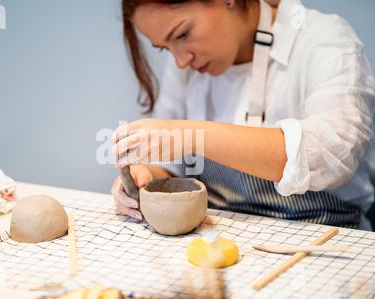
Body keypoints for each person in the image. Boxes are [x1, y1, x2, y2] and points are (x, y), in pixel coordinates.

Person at [110, 0, 375, 230]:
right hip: (219, 233)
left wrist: (193, 135)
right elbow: (172, 166)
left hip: (327, 237)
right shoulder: (186, 67)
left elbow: (332, 156)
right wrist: (147, 175)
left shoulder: (325, 40)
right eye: (164, 48)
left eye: (182, 34)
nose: (180, 60)